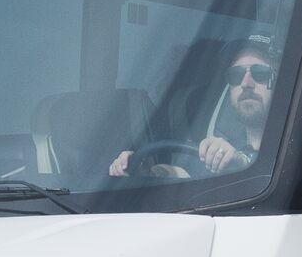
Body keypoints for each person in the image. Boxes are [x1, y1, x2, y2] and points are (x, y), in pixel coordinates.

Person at [109, 34, 277, 179]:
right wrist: (145, 172)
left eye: (260, 73)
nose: (246, 83)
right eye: (236, 75)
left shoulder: (292, 155)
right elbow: (187, 177)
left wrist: (240, 162)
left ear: (279, 81)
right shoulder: (226, 147)